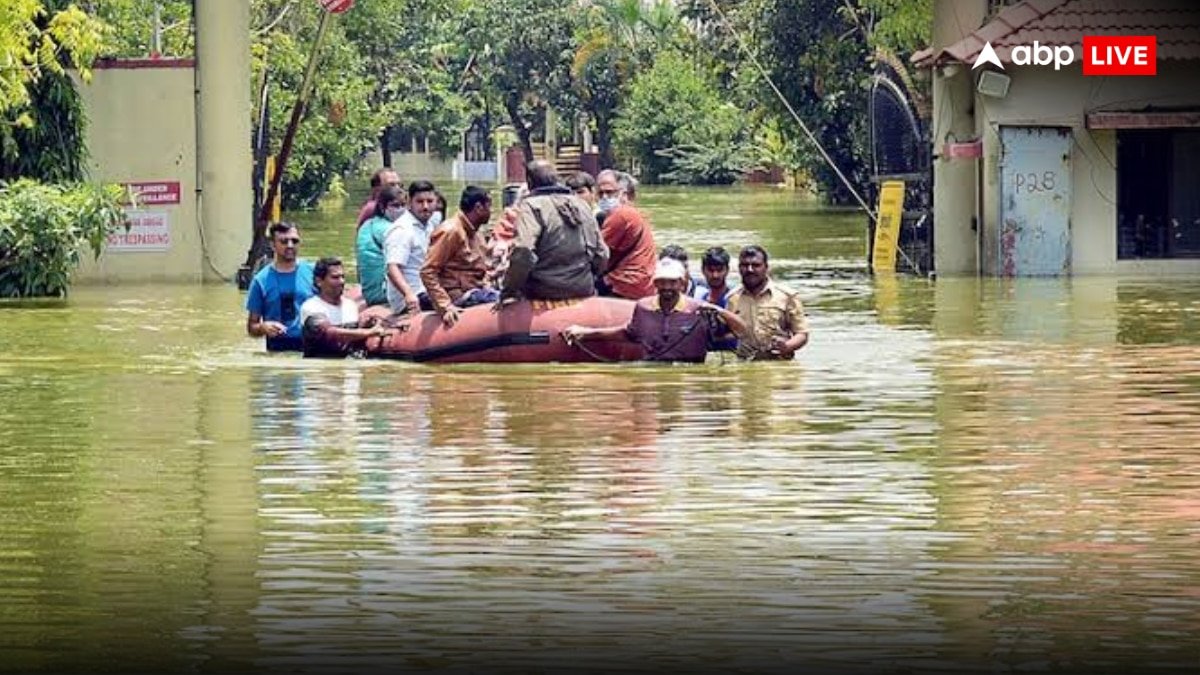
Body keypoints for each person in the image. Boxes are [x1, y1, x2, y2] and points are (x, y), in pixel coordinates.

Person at [562, 258, 745, 363]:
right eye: (662, 282)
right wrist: (585, 333)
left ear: (682, 284)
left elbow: (741, 331)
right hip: (653, 372)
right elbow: (627, 334)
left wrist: (718, 310)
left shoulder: (698, 310)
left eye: (672, 282)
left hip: (690, 376)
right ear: (655, 284)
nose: (667, 287)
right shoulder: (643, 307)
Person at [501, 160, 607, 303]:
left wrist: (509, 291)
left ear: (530, 182)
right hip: (583, 287)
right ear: (557, 179)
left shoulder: (531, 206)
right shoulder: (582, 204)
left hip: (543, 290)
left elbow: (523, 252)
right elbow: (602, 254)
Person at [420, 185, 498, 327]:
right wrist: (445, 306)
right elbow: (428, 271)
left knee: (510, 296)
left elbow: (482, 270)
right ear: (479, 207)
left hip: (476, 290)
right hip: (458, 295)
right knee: (502, 302)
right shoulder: (451, 231)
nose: (491, 212)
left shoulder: (476, 234)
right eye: (489, 207)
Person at [727, 245, 809, 360]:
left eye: (756, 265)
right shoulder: (732, 298)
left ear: (766, 267)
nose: (750, 270)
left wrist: (787, 346)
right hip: (746, 365)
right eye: (745, 265)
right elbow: (727, 333)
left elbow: (802, 334)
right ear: (739, 268)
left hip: (780, 366)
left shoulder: (787, 296)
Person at [245, 222, 316, 352]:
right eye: (284, 241)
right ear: (272, 245)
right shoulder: (260, 281)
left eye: (294, 241)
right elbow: (251, 327)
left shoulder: (315, 273)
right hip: (277, 350)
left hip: (311, 348)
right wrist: (263, 327)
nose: (290, 245)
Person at [300, 257, 391, 357]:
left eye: (343, 277)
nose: (342, 281)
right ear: (319, 281)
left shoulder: (350, 306)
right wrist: (369, 332)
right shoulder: (311, 307)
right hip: (320, 368)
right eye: (335, 277)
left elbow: (351, 341)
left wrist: (364, 325)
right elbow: (330, 334)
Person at [595, 169, 655, 300]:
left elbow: (598, 254)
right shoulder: (636, 213)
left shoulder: (621, 214)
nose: (604, 197)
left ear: (623, 193)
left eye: (609, 192)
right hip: (643, 282)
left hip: (625, 282)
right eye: (600, 193)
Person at [384, 180, 439, 314]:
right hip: (411, 298)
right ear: (409, 202)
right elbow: (392, 268)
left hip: (427, 290)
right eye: (419, 202)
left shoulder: (429, 226)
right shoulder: (402, 229)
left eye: (430, 201)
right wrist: (408, 294)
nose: (425, 206)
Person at [355, 184, 404, 307]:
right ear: (382, 207)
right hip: (383, 293)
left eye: (404, 205)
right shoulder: (389, 229)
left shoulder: (367, 225)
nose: (401, 210)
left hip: (369, 293)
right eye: (396, 205)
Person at [693, 246, 737, 351]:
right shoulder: (697, 297)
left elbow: (743, 332)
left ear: (727, 270)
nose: (715, 275)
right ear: (703, 270)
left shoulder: (735, 298)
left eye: (719, 270)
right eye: (711, 270)